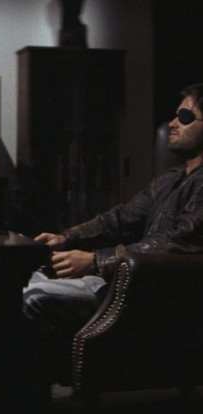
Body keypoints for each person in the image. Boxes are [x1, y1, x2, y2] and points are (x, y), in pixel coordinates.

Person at [23, 82, 203, 339]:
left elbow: (174, 245)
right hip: (130, 282)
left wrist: (95, 262)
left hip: (159, 296)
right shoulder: (171, 177)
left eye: (184, 117)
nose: (172, 124)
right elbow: (122, 218)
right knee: (22, 281)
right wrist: (66, 238)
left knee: (33, 297)